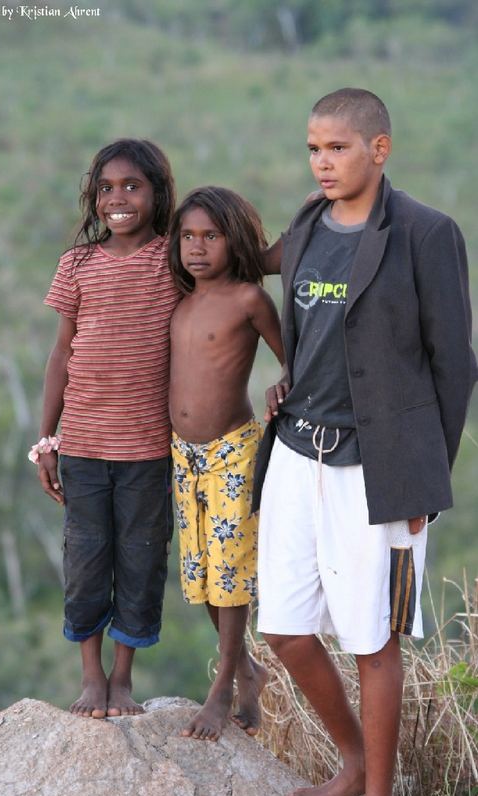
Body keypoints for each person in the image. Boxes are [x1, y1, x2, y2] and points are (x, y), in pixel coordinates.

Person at [253, 88, 477, 796]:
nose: (322, 162)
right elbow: (316, 328)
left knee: (373, 641)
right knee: (286, 631)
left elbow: (454, 364)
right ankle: (350, 762)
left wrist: (424, 482)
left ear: (379, 150)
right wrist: (290, 381)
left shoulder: (426, 232)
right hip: (295, 453)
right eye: (313, 148)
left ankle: (377, 790)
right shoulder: (308, 223)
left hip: (379, 468)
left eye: (338, 148)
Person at [29, 139, 180, 719]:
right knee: (87, 558)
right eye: (106, 189)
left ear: (157, 193)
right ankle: (90, 677)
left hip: (148, 450)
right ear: (93, 198)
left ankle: (122, 680)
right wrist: (47, 441)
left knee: (141, 559)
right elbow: (61, 353)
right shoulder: (79, 263)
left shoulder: (173, 262)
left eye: (132, 186)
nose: (117, 199)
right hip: (85, 448)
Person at [168, 186, 285, 741]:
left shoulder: (248, 301)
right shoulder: (179, 299)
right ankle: (248, 671)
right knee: (202, 576)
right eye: (188, 236)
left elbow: (296, 360)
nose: (197, 247)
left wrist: (284, 381)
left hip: (233, 451)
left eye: (210, 236)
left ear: (233, 240)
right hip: (182, 455)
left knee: (231, 573)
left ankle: (222, 690)